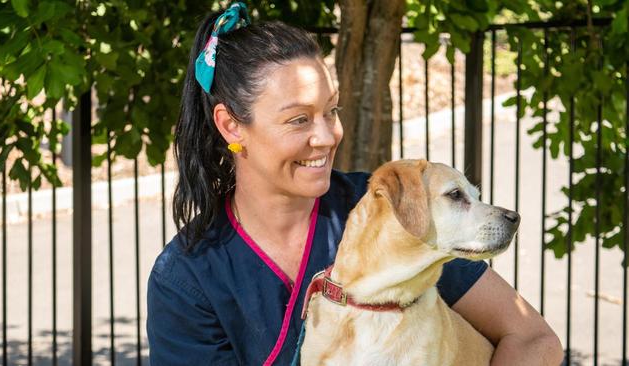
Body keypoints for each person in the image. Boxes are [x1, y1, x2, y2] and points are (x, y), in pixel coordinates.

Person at [146, 3, 564, 365]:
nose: (328, 136)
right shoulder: (187, 279)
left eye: (332, 110)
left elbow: (533, 338)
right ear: (230, 125)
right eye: (299, 119)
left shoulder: (383, 211)